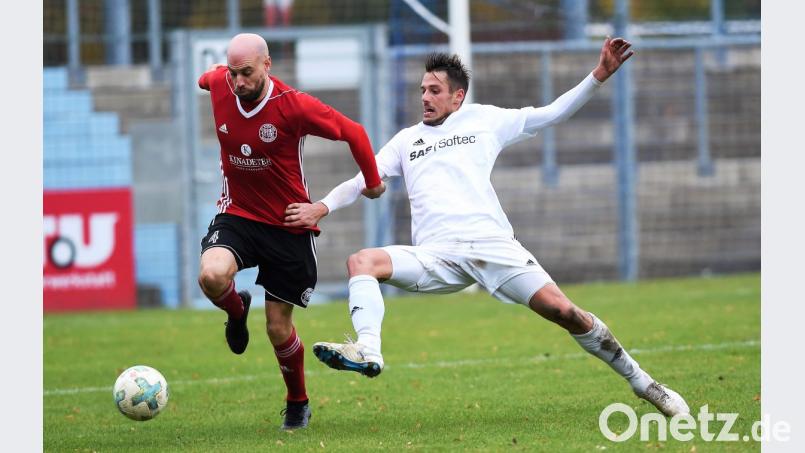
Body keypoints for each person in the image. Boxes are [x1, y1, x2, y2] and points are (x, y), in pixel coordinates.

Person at [283, 37, 690, 417]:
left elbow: (551, 114)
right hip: (436, 255)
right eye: (423, 90)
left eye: (435, 90)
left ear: (457, 96)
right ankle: (369, 350)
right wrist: (321, 206)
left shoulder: (486, 121)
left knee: (566, 312)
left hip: (492, 246)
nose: (425, 97)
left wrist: (598, 75)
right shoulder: (407, 140)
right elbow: (362, 179)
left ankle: (644, 384)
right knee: (362, 261)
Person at [196, 33, 385, 430]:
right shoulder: (219, 84)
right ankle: (235, 308)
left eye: (246, 73)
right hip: (238, 215)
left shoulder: (294, 106)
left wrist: (372, 182)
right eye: (232, 74)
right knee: (211, 275)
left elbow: (354, 132)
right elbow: (206, 78)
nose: (238, 82)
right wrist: (216, 75)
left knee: (278, 327)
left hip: (288, 224)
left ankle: (298, 402)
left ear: (267, 66)